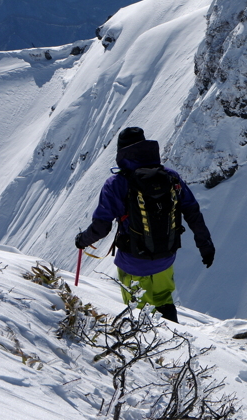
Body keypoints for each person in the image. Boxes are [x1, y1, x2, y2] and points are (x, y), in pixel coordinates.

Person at [75, 127, 215, 323]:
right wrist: (205, 245)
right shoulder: (171, 177)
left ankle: (144, 351)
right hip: (165, 257)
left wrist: (82, 240)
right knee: (164, 303)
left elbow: (102, 226)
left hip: (132, 262)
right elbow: (192, 211)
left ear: (121, 152)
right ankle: (175, 345)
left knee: (138, 314)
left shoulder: (116, 183)